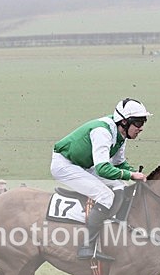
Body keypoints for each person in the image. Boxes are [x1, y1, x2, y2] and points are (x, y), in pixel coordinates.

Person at [50, 98, 150, 261]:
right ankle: (86, 246)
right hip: (65, 164)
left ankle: (114, 230)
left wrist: (135, 173)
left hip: (85, 164)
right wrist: (131, 175)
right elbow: (103, 169)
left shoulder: (121, 133)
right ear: (124, 121)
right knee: (106, 196)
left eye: (143, 122)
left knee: (119, 186)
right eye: (138, 123)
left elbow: (119, 163)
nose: (141, 128)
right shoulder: (102, 132)